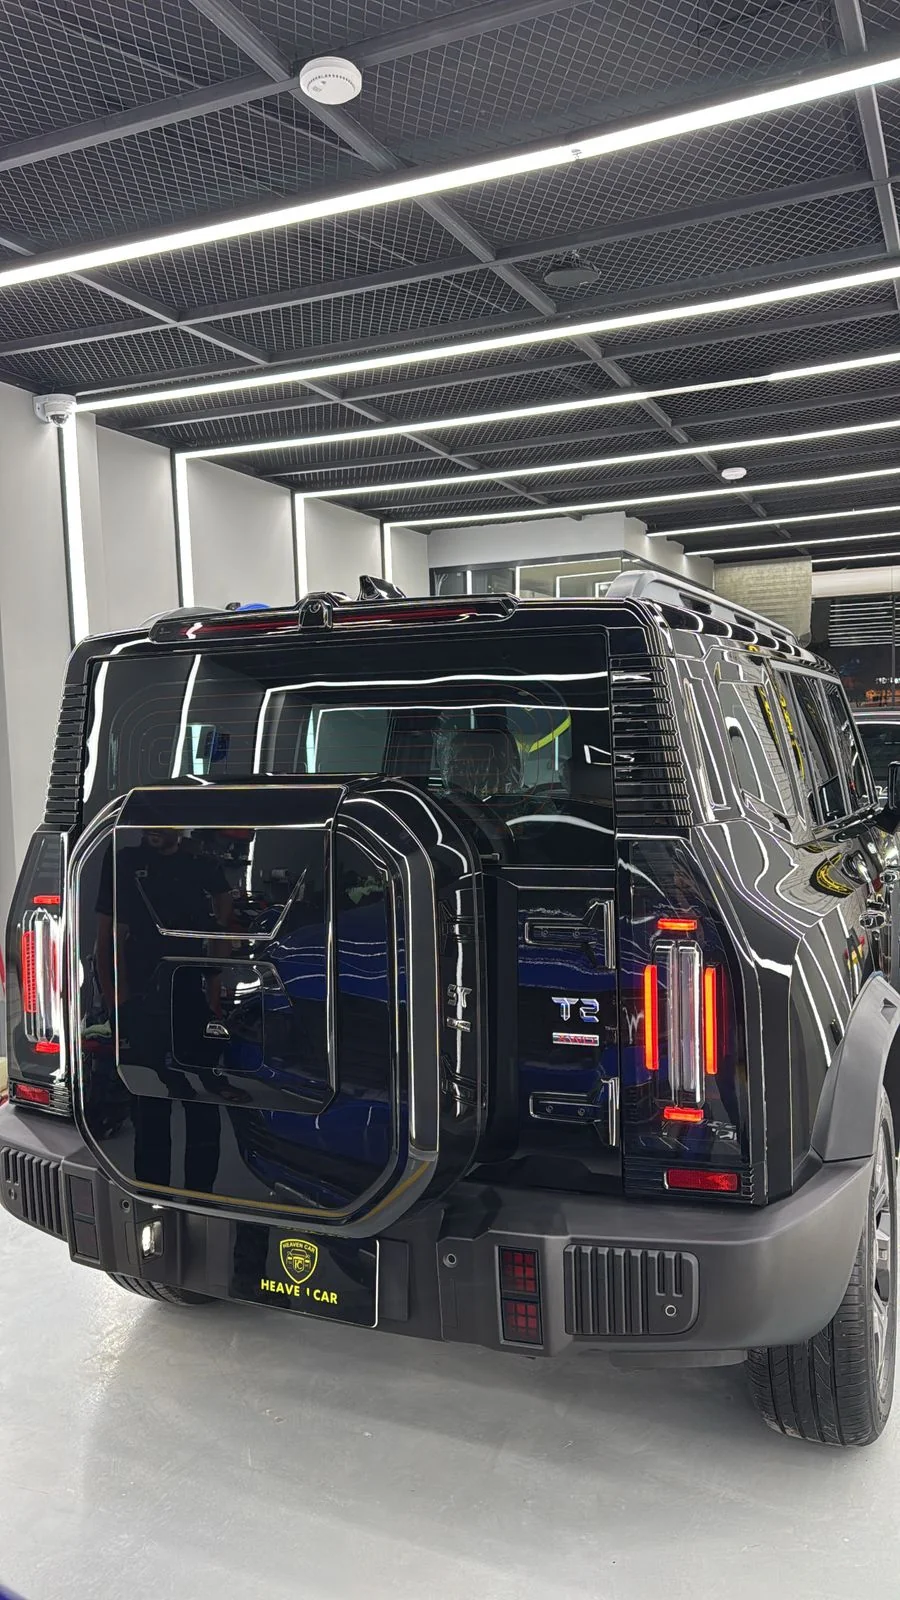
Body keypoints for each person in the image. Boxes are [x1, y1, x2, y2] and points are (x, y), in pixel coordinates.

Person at [95, 829, 234, 1193]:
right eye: (149, 824)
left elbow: (224, 903)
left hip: (191, 993)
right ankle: (153, 1196)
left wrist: (214, 987)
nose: (154, 830)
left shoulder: (200, 861)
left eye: (162, 824)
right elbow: (106, 934)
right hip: (142, 995)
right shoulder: (125, 860)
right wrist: (116, 1002)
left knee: (202, 1103)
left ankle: (201, 1197)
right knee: (149, 1105)